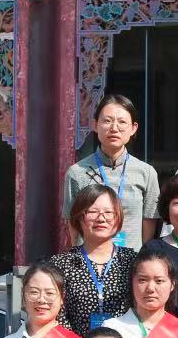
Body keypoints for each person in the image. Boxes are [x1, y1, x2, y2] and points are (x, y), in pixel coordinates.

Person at [68, 94, 160, 249]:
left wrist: (141, 257)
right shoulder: (77, 173)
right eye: (107, 121)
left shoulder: (146, 173)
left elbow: (149, 223)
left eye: (122, 122)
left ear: (133, 128)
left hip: (132, 258)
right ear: (95, 125)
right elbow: (73, 225)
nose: (114, 128)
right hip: (90, 258)